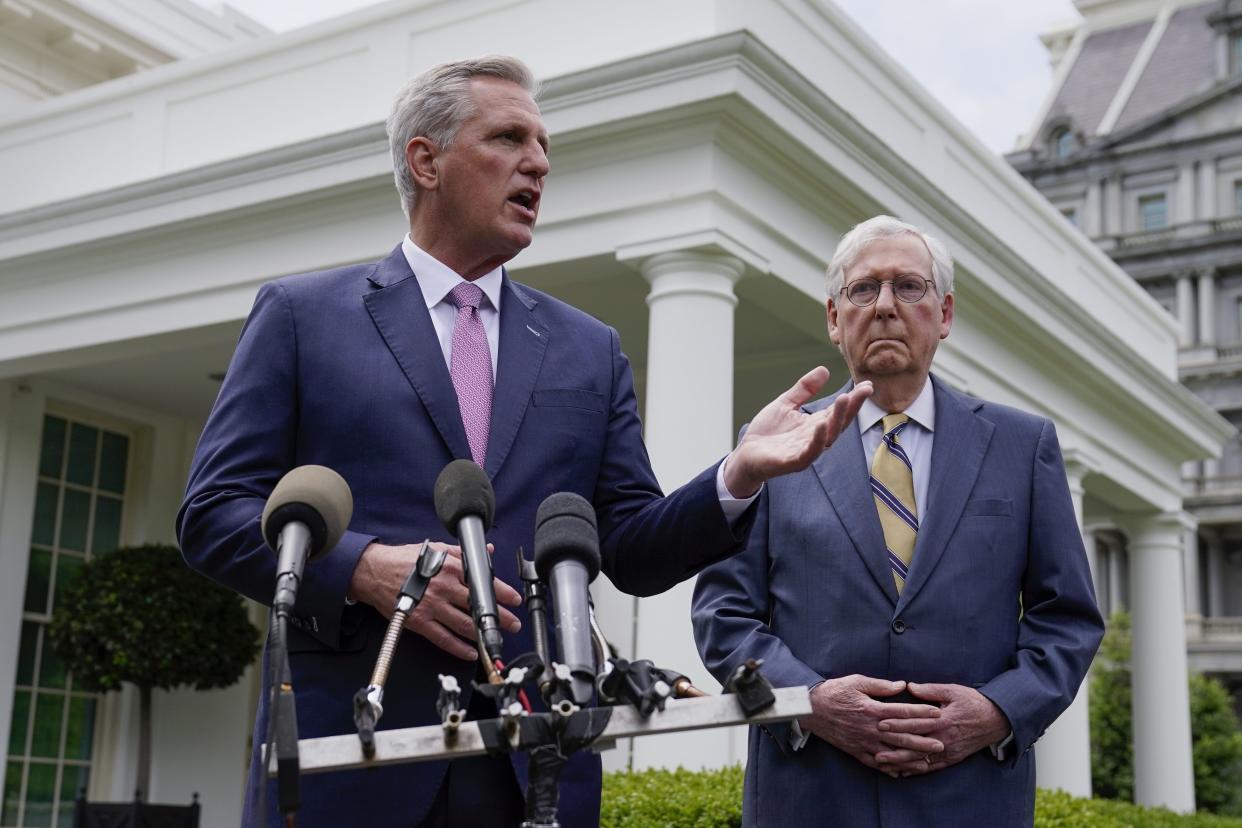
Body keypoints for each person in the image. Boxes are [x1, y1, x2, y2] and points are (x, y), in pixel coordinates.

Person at [176, 55, 870, 828]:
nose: (538, 162)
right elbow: (213, 512)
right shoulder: (303, 317)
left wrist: (735, 477)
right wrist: (364, 567)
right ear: (426, 160)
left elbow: (631, 548)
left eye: (543, 145)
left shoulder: (589, 348)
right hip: (354, 763)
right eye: (508, 138)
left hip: (536, 765)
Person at [693, 215, 1105, 827]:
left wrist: (997, 711)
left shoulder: (1023, 446)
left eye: (908, 287)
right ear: (834, 318)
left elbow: (1067, 619)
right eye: (864, 289)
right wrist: (808, 703)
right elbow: (723, 617)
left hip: (971, 798)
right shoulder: (776, 443)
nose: (885, 306)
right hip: (810, 797)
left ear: (944, 314)